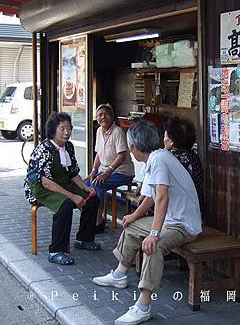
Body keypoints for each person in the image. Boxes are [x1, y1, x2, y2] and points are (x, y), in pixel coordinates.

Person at [92, 120, 202, 325]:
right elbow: (151, 197)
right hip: (171, 219)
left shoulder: (159, 159)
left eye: (129, 147)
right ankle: (119, 274)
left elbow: (162, 198)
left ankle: (143, 306)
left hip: (184, 224)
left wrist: (154, 233)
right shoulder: (158, 157)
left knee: (154, 246)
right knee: (131, 227)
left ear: (134, 146)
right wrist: (133, 216)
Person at [24, 112, 101, 266]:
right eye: (62, 129)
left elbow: (73, 173)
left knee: (92, 199)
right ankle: (56, 251)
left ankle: (84, 239)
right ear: (53, 131)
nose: (67, 132)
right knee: (65, 205)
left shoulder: (69, 147)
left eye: (69, 128)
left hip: (63, 183)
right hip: (41, 188)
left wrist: (86, 188)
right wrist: (73, 197)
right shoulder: (44, 149)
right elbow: (46, 183)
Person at [87, 103, 135, 232]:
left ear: (112, 117)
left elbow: (122, 156)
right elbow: (98, 154)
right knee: (86, 184)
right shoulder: (98, 131)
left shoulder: (117, 131)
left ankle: (98, 222)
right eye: (100, 114)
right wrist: (94, 171)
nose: (103, 117)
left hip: (122, 172)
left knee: (97, 185)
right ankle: (89, 217)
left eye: (106, 114)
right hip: (105, 171)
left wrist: (106, 173)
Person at [162, 118, 205, 217]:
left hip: (178, 213)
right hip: (197, 210)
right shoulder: (194, 157)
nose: (163, 140)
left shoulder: (169, 158)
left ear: (171, 142)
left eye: (165, 137)